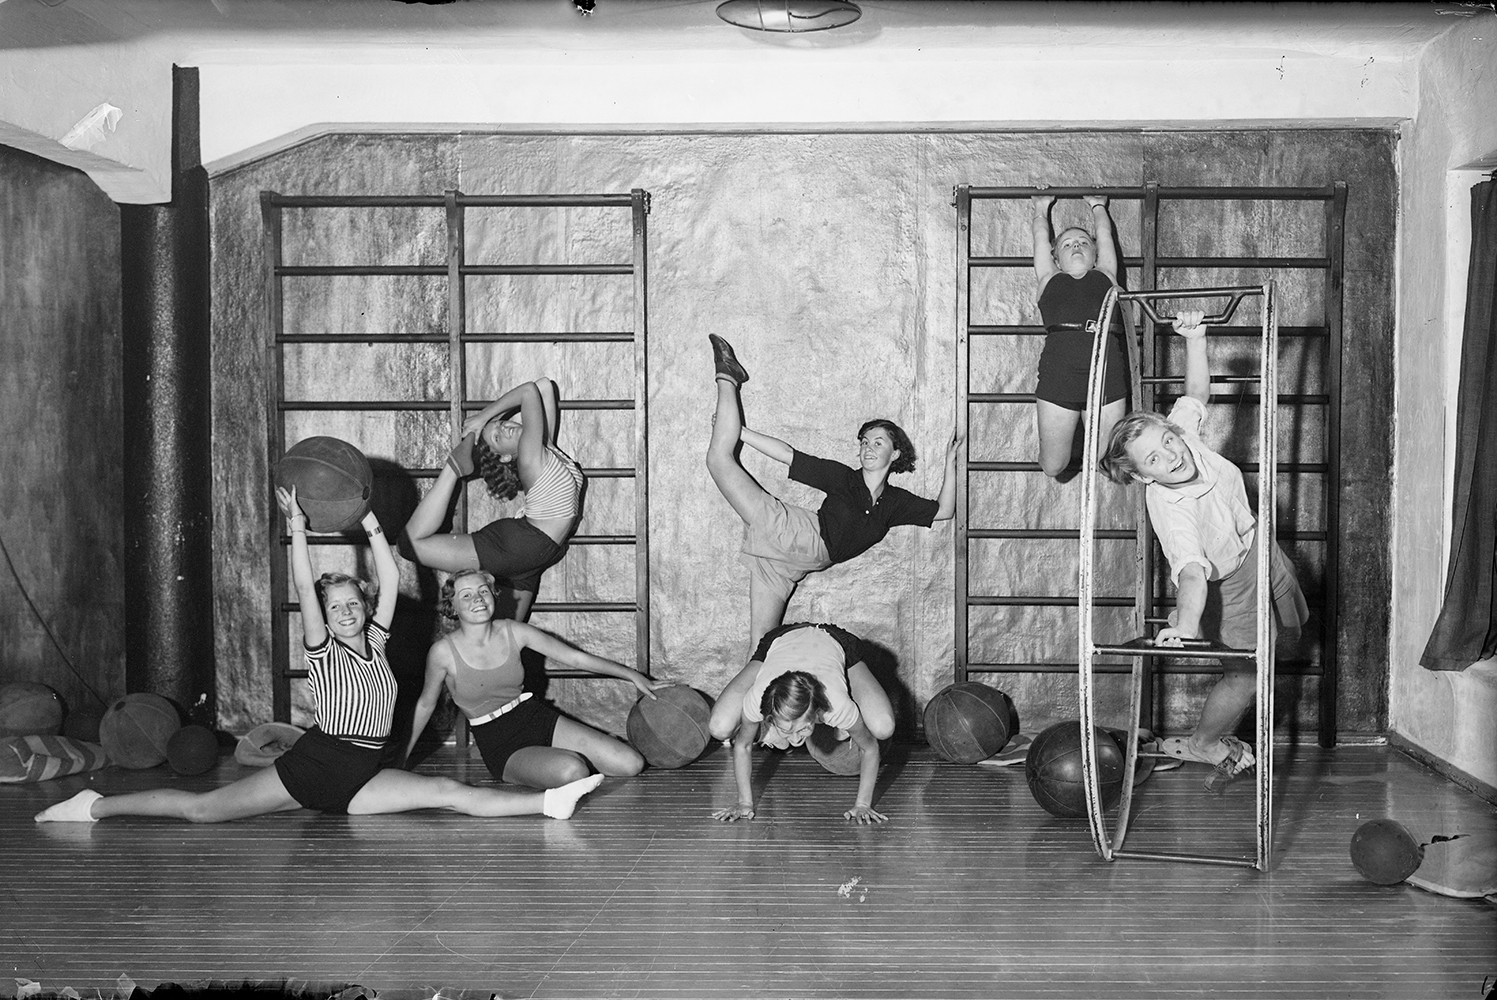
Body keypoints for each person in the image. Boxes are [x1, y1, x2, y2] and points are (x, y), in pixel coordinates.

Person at [35, 487, 602, 825]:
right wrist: (297, 530)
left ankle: (550, 804)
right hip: (316, 766)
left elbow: (387, 572)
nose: (346, 611)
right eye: (337, 608)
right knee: (201, 812)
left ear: (364, 606)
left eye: (353, 603)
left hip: (362, 774)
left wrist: (373, 523)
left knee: (451, 794)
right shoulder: (323, 650)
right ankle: (95, 807)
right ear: (327, 619)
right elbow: (306, 590)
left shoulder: (377, 639)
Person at [1098, 311, 1309, 785]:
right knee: (1247, 675)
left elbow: (1195, 395)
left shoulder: (1181, 438)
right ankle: (1204, 743)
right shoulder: (1171, 509)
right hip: (1226, 580)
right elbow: (1192, 570)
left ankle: (1267, 638)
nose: (1171, 454)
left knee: (1294, 616)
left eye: (1168, 440)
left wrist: (1197, 338)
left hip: (1258, 544)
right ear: (1139, 475)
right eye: (1155, 457)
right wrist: (1189, 624)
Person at [706, 334, 958, 651]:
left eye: (878, 442)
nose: (868, 447)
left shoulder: (895, 504)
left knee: (761, 649)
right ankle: (728, 375)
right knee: (719, 459)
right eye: (864, 442)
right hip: (795, 534)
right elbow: (788, 454)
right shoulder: (843, 479)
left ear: (895, 454)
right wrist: (740, 431)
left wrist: (950, 463)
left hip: (791, 565)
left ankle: (757, 701)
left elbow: (944, 510)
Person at [405, 568, 659, 787]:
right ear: (453, 606)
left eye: (483, 591)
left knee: (631, 763)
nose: (478, 599)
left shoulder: (514, 631)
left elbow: (575, 658)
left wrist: (633, 676)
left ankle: (570, 754)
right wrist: (401, 758)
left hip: (534, 717)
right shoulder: (442, 653)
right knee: (573, 771)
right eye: (466, 595)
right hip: (500, 743)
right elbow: (426, 704)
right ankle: (557, 761)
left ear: (493, 595)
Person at [404, 377, 582, 623]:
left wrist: (487, 423)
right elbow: (528, 391)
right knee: (410, 544)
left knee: (502, 643)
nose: (503, 429)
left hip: (535, 555)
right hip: (518, 546)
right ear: (507, 458)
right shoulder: (529, 458)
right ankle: (454, 467)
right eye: (498, 438)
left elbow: (543, 387)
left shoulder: (545, 447)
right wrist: (483, 419)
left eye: (500, 424)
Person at [708, 622, 895, 824]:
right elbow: (743, 745)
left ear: (816, 713)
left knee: (883, 727)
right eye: (789, 730)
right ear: (769, 717)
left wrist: (863, 805)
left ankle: (790, 729)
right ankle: (772, 733)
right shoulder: (755, 699)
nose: (797, 740)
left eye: (804, 728)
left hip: (832, 640)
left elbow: (870, 748)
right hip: (781, 641)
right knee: (719, 727)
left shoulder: (836, 705)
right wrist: (745, 803)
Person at [1029, 191, 1130, 479]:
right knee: (1053, 466)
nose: (1076, 246)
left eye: (1083, 243)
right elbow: (1039, 240)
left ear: (1095, 253)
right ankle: (1060, 435)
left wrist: (1098, 206)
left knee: (1105, 463)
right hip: (1060, 373)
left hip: (1106, 371)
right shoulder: (1049, 277)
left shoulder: (1106, 274)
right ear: (1056, 256)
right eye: (1068, 243)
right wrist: (1040, 208)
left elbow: (1105, 236)